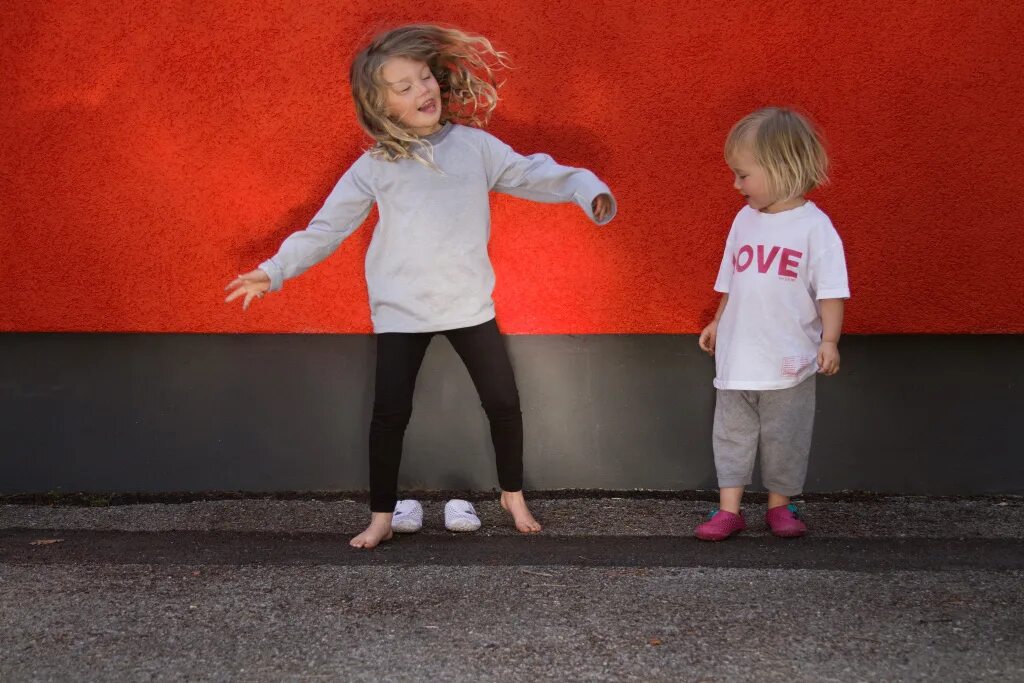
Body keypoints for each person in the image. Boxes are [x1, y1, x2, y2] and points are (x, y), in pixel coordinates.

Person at [225, 24, 616, 548]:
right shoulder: (375, 166)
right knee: (390, 414)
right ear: (380, 105)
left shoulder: (474, 147)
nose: (421, 90)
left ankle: (513, 494)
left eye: (424, 77)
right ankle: (382, 515)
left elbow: (532, 173)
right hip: (401, 312)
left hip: (468, 305)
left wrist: (585, 188)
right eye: (403, 87)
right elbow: (327, 229)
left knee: (503, 402)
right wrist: (273, 271)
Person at [695, 107, 848, 541]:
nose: (735, 184)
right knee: (731, 435)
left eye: (743, 175)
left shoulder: (815, 228)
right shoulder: (744, 220)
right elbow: (732, 281)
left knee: (786, 436)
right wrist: (718, 320)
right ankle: (729, 509)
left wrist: (830, 341)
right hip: (738, 356)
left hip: (789, 359)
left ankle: (781, 506)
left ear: (782, 169)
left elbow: (832, 291)